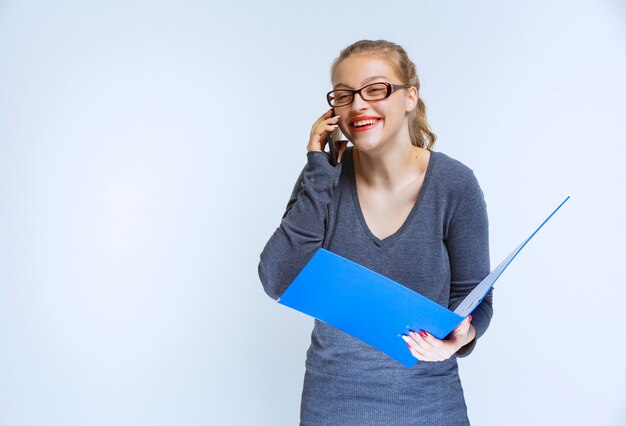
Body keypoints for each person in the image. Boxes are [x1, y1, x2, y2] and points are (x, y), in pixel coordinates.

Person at [258, 39, 493, 425]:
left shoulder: (455, 184)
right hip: (332, 406)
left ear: (409, 97)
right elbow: (278, 279)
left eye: (375, 89)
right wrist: (319, 167)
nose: (358, 105)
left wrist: (459, 338)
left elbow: (476, 301)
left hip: (431, 407)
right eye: (344, 95)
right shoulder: (323, 178)